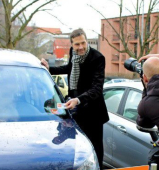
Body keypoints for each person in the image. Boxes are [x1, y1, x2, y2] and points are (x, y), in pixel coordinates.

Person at [41, 28, 109, 169]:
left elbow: (97, 89)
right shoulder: (74, 53)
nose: (81, 47)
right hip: (76, 109)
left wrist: (78, 99)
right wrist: (49, 68)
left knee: (94, 148)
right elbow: (68, 68)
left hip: (93, 113)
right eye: (77, 44)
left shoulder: (98, 58)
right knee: (78, 146)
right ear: (72, 44)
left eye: (83, 43)